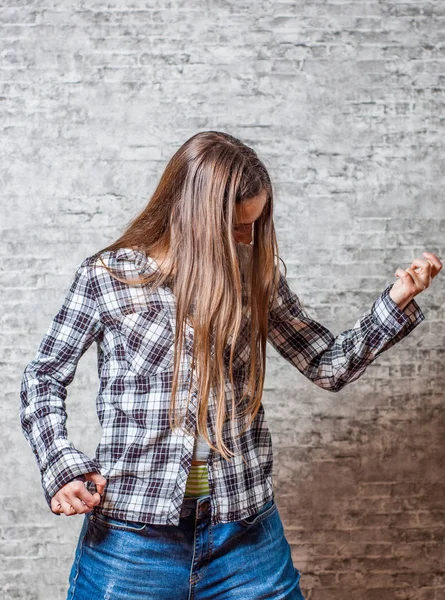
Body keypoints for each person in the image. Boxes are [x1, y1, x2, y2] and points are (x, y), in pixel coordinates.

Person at [19, 131, 442, 600]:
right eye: (237, 227)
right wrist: (61, 465)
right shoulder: (107, 277)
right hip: (130, 538)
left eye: (255, 225)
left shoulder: (256, 276)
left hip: (243, 533)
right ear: (195, 217)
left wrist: (396, 302)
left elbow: (326, 364)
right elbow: (43, 378)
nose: (248, 238)